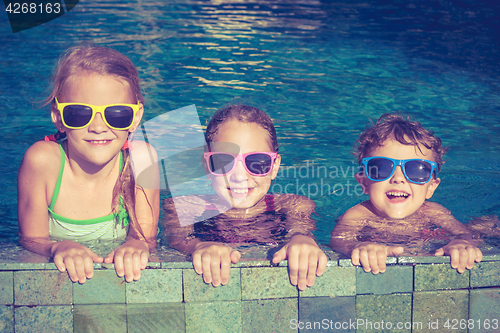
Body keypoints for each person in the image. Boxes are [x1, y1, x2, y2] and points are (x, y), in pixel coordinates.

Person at [17, 45, 159, 284]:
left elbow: (145, 236)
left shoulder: (142, 160)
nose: (98, 127)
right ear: (58, 116)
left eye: (116, 114)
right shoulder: (42, 162)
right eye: (80, 114)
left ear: (135, 117)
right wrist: (56, 247)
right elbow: (30, 239)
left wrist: (136, 245)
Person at [163, 105, 327, 290]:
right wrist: (197, 246)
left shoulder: (294, 206)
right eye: (224, 162)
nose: (239, 177)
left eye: (257, 162)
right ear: (207, 165)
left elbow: (300, 229)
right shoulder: (184, 206)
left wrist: (301, 239)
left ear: (274, 167)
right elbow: (177, 236)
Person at [330, 113, 482, 274]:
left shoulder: (433, 212)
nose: (398, 178)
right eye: (382, 167)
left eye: (416, 169)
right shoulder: (358, 214)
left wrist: (460, 242)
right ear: (364, 182)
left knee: (486, 227)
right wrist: (357, 246)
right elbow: (339, 240)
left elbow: (465, 233)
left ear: (431, 187)